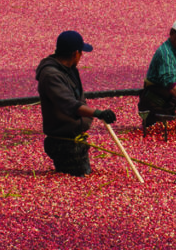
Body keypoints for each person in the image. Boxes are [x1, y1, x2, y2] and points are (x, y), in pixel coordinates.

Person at [35, 30, 116, 176]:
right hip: (63, 141)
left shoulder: (70, 70)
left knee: (81, 174)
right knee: (77, 175)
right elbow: (70, 104)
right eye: (81, 52)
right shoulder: (51, 76)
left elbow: (79, 98)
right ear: (75, 53)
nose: (82, 56)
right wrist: (98, 113)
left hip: (75, 136)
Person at [138, 19, 176, 127]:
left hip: (166, 106)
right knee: (156, 133)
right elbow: (171, 84)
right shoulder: (166, 54)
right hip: (155, 105)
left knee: (164, 132)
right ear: (172, 33)